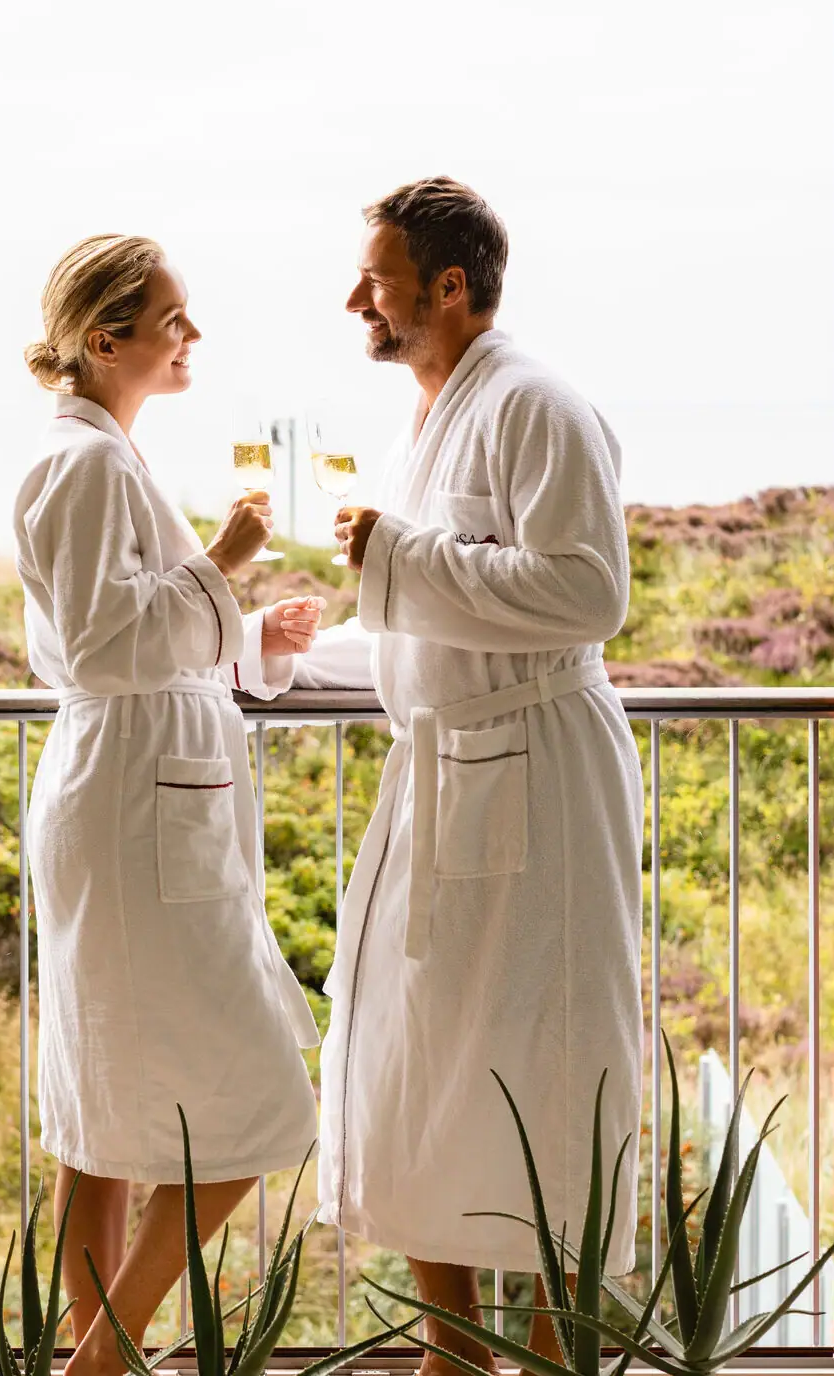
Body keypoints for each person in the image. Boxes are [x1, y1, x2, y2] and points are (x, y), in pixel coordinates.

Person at [298, 179, 644, 1374]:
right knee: (407, 1046)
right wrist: (296, 656)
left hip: (536, 772)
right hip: (446, 764)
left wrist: (398, 555)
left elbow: (588, 593)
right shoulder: (433, 412)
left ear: (450, 286)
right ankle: (456, 1348)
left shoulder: (537, 406)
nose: (357, 299)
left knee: (545, 1054)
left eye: (377, 280)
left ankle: (552, 1350)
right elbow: (433, 617)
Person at [13, 234, 324, 1376]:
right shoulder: (85, 464)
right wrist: (223, 563)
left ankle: (86, 1353)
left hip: (141, 795)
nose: (193, 337)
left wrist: (249, 640)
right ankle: (107, 1358)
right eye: (175, 320)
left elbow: (139, 635)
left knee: (101, 1117)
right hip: (135, 810)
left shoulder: (101, 456)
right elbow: (105, 646)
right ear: (107, 341)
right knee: (254, 1098)